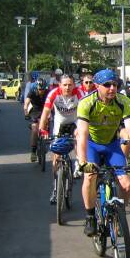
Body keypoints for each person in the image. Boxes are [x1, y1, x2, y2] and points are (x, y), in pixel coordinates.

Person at [76, 69, 130, 237]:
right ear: (97, 86)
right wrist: (83, 162)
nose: (112, 88)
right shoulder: (86, 103)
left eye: (115, 85)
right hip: (92, 145)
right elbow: (82, 135)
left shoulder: (123, 101)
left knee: (127, 185)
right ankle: (90, 217)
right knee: (90, 177)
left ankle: (119, 214)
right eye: (107, 85)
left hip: (112, 145)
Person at [39, 74, 83, 204]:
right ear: (60, 85)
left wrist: (84, 130)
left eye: (70, 85)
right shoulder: (53, 93)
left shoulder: (79, 93)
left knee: (79, 138)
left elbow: (86, 112)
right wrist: (43, 130)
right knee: (56, 155)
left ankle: (77, 165)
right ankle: (55, 188)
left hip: (75, 121)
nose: (67, 87)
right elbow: (45, 112)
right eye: (65, 85)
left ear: (74, 85)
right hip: (59, 123)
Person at [24, 78, 50, 162]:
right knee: (35, 130)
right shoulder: (32, 92)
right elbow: (26, 103)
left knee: (47, 124)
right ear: (36, 88)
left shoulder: (48, 92)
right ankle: (33, 151)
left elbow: (53, 103)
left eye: (43, 89)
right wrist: (26, 113)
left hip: (45, 110)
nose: (41, 91)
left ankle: (45, 142)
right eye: (40, 89)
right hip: (34, 111)